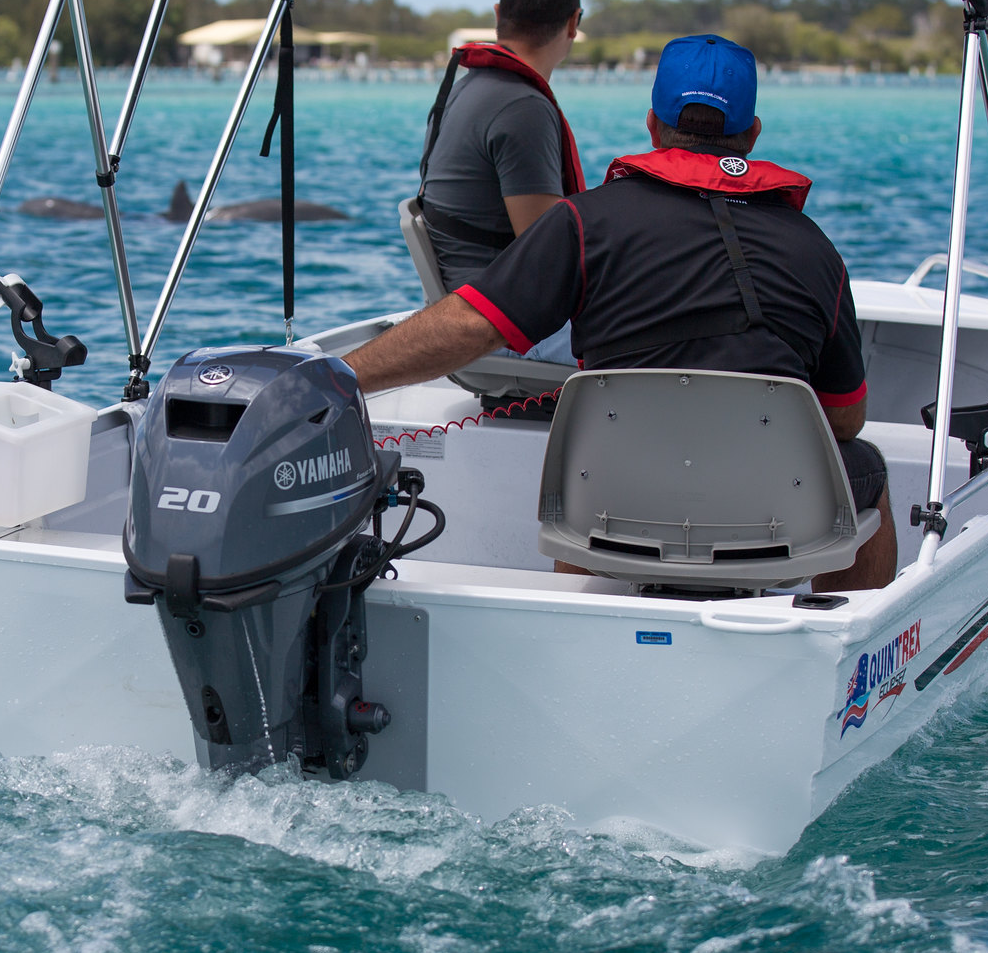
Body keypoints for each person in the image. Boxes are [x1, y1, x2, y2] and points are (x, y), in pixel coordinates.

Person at [350, 34, 897, 593]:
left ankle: (583, 629)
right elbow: (844, 420)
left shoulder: (585, 223)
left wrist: (340, 376)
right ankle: (858, 658)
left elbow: (468, 324)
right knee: (866, 469)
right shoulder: (816, 251)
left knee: (588, 468)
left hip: (609, 513)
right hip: (773, 519)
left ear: (653, 126)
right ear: (752, 133)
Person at [418, 0, 587, 297]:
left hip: (463, 300)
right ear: (574, 22)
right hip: (502, 318)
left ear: (498, 14)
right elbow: (546, 254)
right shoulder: (522, 107)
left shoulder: (465, 87)